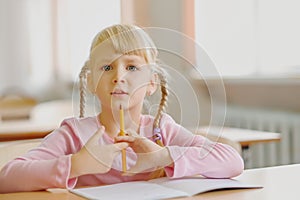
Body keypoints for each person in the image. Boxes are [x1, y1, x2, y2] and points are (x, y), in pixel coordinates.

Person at [0, 24, 244, 193]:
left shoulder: (162, 130)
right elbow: (7, 177)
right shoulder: (74, 135)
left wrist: (163, 156)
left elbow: (232, 161)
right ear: (90, 82)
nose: (118, 76)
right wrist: (77, 164)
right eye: (106, 68)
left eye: (132, 67)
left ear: (151, 83)